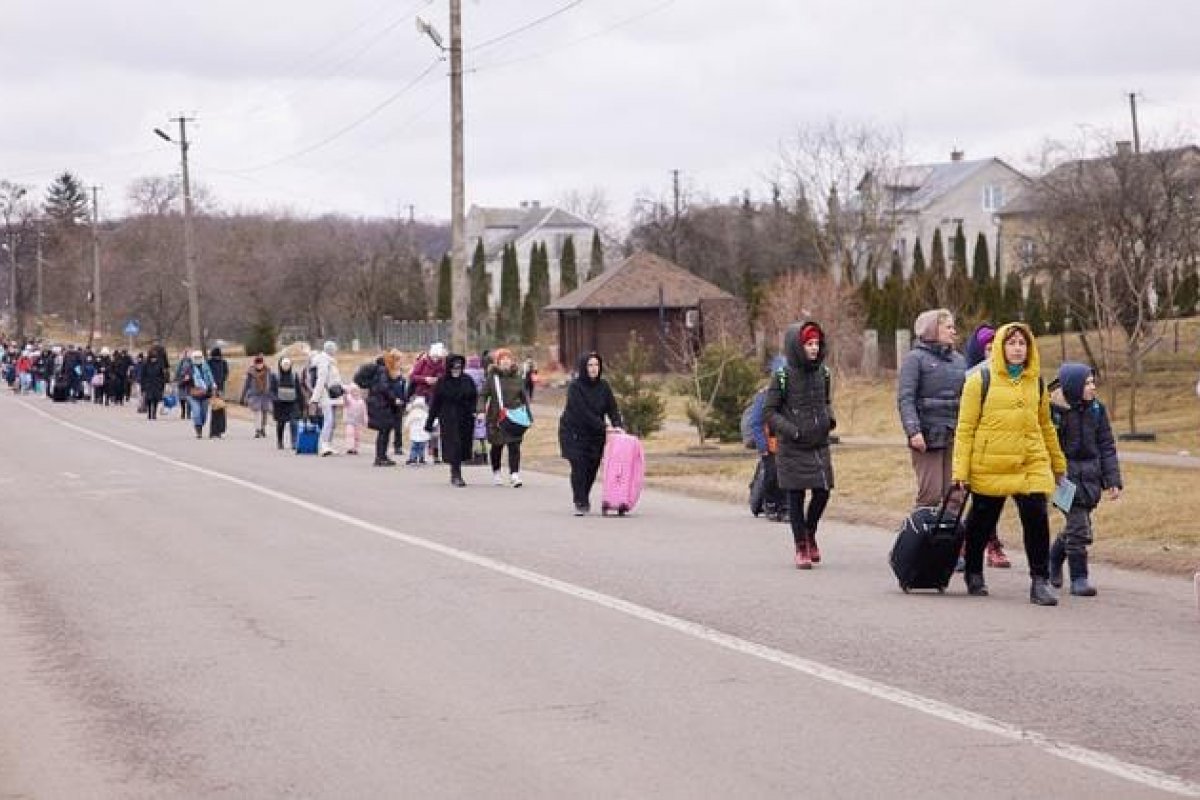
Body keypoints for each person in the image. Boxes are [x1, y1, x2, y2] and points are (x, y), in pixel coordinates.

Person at [952, 323, 1067, 606]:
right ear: (1001, 347)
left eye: (1022, 343)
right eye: (1012, 343)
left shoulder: (1036, 382)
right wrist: (960, 471)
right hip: (992, 462)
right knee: (982, 520)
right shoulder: (979, 381)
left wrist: (1057, 463)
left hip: (1030, 462)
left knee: (1036, 517)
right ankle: (974, 571)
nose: (1017, 348)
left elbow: (1046, 425)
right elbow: (965, 429)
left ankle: (1039, 581)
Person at [764, 321, 836, 569]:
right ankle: (801, 546)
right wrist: (792, 431)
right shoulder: (782, 376)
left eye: (816, 343)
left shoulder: (823, 373)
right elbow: (770, 412)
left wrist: (829, 419)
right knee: (795, 496)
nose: (814, 348)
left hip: (818, 443)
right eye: (808, 344)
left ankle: (810, 532)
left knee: (823, 491)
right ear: (797, 346)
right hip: (792, 446)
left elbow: (825, 401)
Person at [1048, 363, 1123, 596]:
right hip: (1064, 478)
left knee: (1077, 527)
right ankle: (1079, 577)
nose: (1093, 387)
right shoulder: (1055, 411)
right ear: (1073, 386)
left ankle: (1054, 557)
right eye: (1087, 383)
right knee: (1080, 529)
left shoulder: (1097, 410)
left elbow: (1106, 446)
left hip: (1090, 477)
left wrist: (1112, 480)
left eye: (1093, 382)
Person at [897, 309, 966, 507]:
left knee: (955, 494)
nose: (953, 331)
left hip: (955, 434)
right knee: (931, 494)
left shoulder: (959, 361)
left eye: (953, 327)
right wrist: (913, 431)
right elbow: (906, 398)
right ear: (933, 330)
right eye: (948, 327)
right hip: (927, 436)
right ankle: (921, 526)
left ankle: (949, 528)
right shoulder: (914, 359)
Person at [960, 323, 1013, 569]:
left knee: (990, 500)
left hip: (1000, 448)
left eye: (996, 348)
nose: (992, 354)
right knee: (979, 501)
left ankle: (983, 544)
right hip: (974, 447)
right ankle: (977, 546)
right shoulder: (971, 379)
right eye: (988, 349)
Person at [559, 351, 623, 515]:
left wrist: (617, 425)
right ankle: (580, 500)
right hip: (574, 432)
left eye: (596, 365)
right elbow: (582, 412)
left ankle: (584, 494)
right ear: (584, 367)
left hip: (595, 434)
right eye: (590, 365)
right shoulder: (575, 387)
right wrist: (604, 427)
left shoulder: (604, 386)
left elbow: (612, 408)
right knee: (579, 466)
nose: (594, 368)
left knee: (592, 467)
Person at [479, 347, 531, 487]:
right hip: (496, 417)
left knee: (514, 446)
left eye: (508, 358)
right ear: (498, 362)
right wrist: (481, 411)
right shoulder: (492, 377)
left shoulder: (517, 378)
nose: (506, 361)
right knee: (497, 446)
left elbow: (524, 397)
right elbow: (483, 395)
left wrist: (528, 415)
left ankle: (514, 474)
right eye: (503, 359)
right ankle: (496, 472)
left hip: (514, 417)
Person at [427, 353, 478, 486]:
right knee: (454, 444)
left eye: (459, 367)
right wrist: (429, 422)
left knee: (462, 445)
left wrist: (475, 411)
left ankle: (456, 469)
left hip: (465, 418)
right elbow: (435, 403)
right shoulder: (442, 381)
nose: (456, 370)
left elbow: (474, 397)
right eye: (454, 367)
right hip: (448, 418)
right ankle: (456, 474)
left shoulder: (467, 380)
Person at [308, 340, 344, 456]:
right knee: (328, 419)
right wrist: (315, 398)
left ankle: (328, 444)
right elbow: (321, 379)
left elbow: (334, 379)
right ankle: (323, 444)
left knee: (332, 420)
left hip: (332, 394)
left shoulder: (330, 361)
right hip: (325, 394)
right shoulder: (323, 361)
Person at [179, 350, 216, 439]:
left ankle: (200, 424)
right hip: (192, 394)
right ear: (192, 358)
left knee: (204, 414)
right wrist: (185, 380)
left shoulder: (206, 368)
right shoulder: (189, 368)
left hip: (205, 394)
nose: (198, 359)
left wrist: (213, 385)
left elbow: (210, 378)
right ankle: (198, 430)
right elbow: (180, 383)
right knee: (196, 412)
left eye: (199, 357)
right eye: (196, 357)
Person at [272, 356, 306, 449]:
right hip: (280, 404)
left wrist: (302, 404)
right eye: (284, 364)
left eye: (288, 364)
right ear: (280, 365)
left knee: (294, 422)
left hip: (292, 402)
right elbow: (271, 390)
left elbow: (298, 390)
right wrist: (275, 399)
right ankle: (280, 441)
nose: (286, 366)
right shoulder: (275, 376)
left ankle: (294, 442)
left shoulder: (294, 375)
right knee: (281, 423)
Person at [240, 354, 274, 438]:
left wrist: (273, 394)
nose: (259, 365)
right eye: (257, 363)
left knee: (265, 413)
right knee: (257, 413)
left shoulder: (268, 371)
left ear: (263, 363)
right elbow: (247, 384)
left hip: (266, 395)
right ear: (255, 363)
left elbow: (272, 383)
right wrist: (243, 396)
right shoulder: (251, 373)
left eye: (260, 363)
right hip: (255, 395)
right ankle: (258, 430)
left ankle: (263, 428)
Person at [140, 346, 169, 420]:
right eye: (152, 358)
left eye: (155, 358)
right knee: (149, 399)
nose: (153, 359)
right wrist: (143, 386)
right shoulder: (146, 365)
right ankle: (149, 412)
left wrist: (162, 384)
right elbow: (143, 375)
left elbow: (162, 376)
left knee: (155, 399)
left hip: (157, 384)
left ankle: (154, 413)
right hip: (148, 384)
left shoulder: (159, 364)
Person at [405, 397, 431, 464]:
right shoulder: (425, 413)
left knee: (414, 447)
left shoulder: (412, 413)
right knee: (422, 447)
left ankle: (413, 458)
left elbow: (408, 421)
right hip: (423, 433)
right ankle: (421, 458)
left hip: (414, 432)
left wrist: (406, 426)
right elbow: (430, 421)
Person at [342, 384, 367, 455]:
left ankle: (355, 448)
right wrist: (345, 395)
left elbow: (364, 411)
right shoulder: (349, 399)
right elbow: (345, 402)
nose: (355, 392)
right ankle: (350, 448)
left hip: (358, 421)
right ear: (351, 392)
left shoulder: (361, 401)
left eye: (356, 391)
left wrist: (365, 419)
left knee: (357, 435)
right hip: (350, 420)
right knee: (350, 433)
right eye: (353, 391)